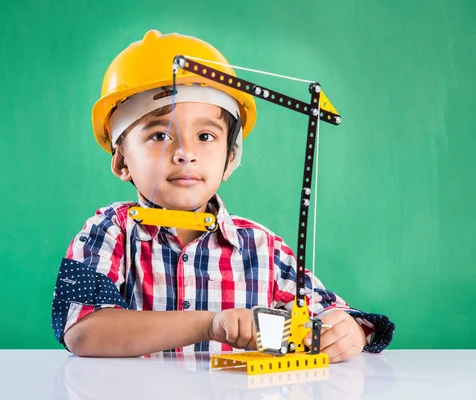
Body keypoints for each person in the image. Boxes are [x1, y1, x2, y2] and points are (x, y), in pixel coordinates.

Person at [51, 29, 394, 362]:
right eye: (159, 135)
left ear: (231, 159)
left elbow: (336, 315)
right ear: (122, 161)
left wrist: (346, 331)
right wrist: (210, 324)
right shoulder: (109, 232)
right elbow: (82, 331)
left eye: (205, 136)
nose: (185, 153)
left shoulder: (264, 249)